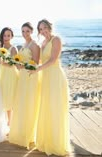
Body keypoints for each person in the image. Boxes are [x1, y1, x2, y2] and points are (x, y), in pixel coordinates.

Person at [29, 19, 70, 156]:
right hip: (45, 78)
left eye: (45, 27)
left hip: (55, 77)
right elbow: (39, 60)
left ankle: (56, 143)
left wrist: (38, 69)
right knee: (46, 107)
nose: (43, 30)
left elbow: (52, 60)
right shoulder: (42, 43)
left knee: (55, 107)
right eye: (40, 29)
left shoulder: (56, 39)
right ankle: (46, 141)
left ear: (50, 27)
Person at [9, 22, 41, 149]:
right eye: (23, 31)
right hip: (22, 77)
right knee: (21, 104)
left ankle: (29, 135)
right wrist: (17, 64)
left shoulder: (35, 45)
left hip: (30, 77)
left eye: (27, 31)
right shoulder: (24, 44)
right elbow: (20, 62)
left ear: (32, 31)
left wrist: (23, 66)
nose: (25, 34)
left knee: (29, 103)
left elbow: (36, 64)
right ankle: (21, 132)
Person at [0, 27, 18, 126]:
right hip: (1, 74)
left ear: (11, 37)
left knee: (9, 98)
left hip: (10, 75)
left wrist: (3, 63)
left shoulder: (13, 48)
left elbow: (14, 63)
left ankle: (10, 123)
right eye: (5, 35)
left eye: (8, 35)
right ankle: (4, 123)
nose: (6, 37)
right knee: (2, 98)